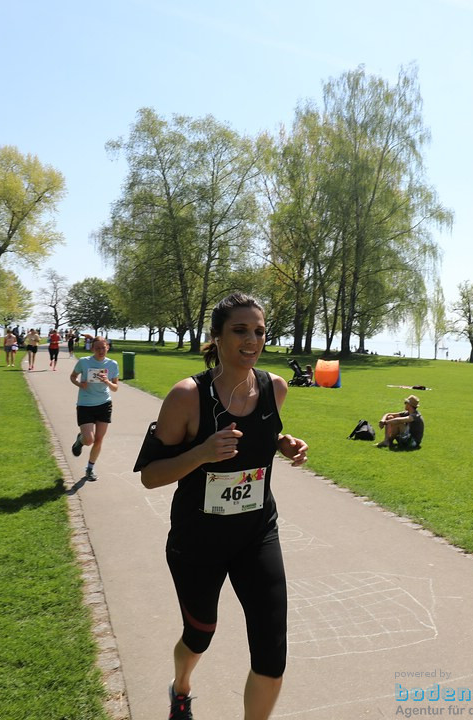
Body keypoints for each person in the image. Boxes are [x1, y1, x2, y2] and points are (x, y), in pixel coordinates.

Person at [137, 292, 308, 720]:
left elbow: (264, 436)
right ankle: (181, 686)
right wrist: (201, 453)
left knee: (272, 650)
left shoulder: (275, 388)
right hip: (198, 541)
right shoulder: (187, 396)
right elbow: (151, 475)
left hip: (256, 534)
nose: (252, 340)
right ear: (217, 336)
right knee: (199, 634)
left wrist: (283, 445)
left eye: (260, 331)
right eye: (240, 330)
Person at [69, 337, 119, 482]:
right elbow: (72, 377)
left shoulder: (112, 364)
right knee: (89, 439)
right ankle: (80, 440)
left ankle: (90, 469)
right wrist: (80, 384)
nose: (101, 351)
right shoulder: (84, 362)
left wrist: (107, 381)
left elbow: (115, 388)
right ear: (92, 349)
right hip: (85, 404)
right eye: (97, 348)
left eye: (103, 347)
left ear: (107, 347)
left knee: (98, 440)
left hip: (104, 404)